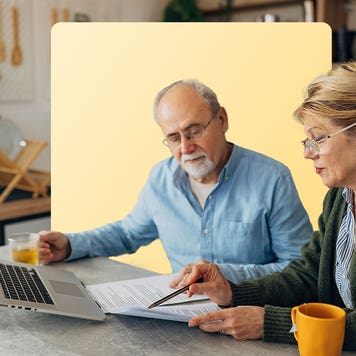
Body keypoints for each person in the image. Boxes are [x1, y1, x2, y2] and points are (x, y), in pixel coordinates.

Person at [39, 79, 312, 283]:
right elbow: (127, 234)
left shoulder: (272, 178)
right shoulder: (161, 178)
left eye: (194, 131)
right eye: (173, 138)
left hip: (246, 314)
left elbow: (301, 269)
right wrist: (70, 244)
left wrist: (222, 274)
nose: (185, 147)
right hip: (179, 318)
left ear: (222, 119)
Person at [172, 62, 356, 351]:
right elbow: (308, 274)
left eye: (318, 138)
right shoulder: (341, 198)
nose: (309, 153)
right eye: (307, 141)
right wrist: (233, 292)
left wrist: (273, 322)